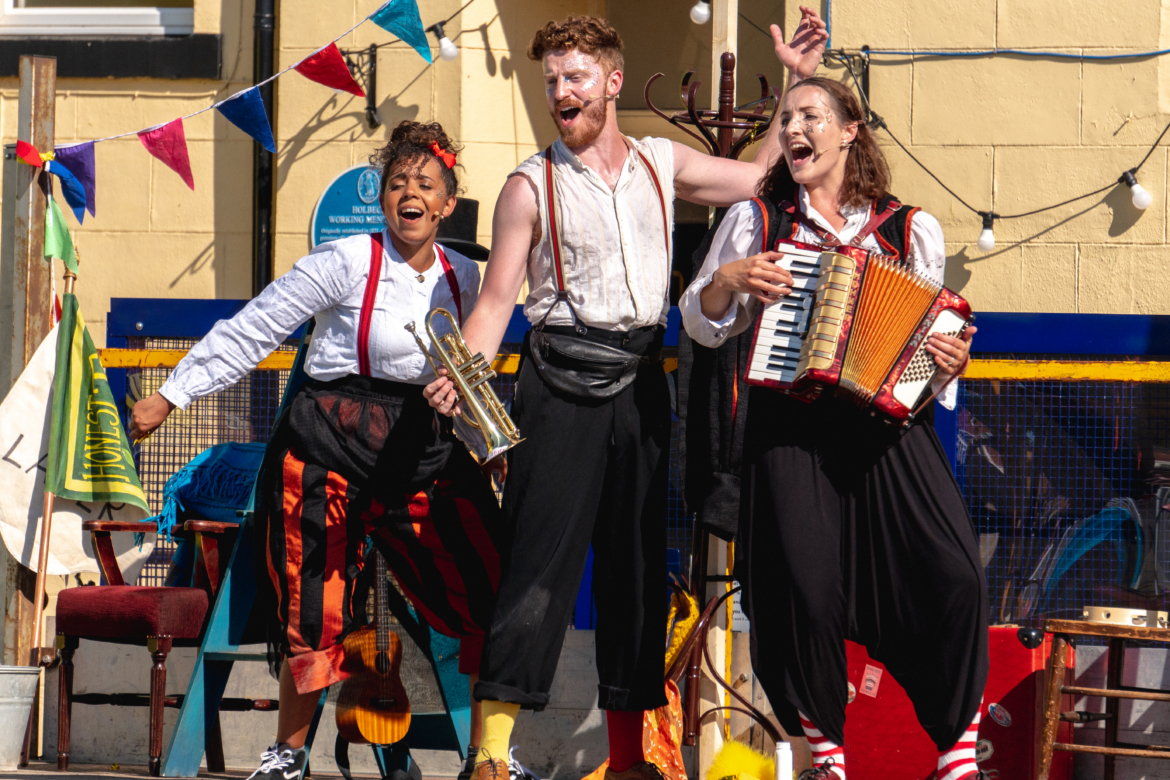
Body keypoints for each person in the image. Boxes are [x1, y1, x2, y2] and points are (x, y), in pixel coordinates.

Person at [423, 11, 828, 780]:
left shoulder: (657, 160)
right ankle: (491, 756)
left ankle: (628, 762)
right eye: (551, 82)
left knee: (637, 577)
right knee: (534, 568)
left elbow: (766, 179)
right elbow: (495, 303)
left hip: (642, 383)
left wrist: (801, 85)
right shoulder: (526, 187)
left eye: (575, 78)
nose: (560, 94)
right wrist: (462, 371)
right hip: (557, 386)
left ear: (611, 82)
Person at [129, 121, 504, 780]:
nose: (409, 194)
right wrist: (172, 396)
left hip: (421, 447)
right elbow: (253, 329)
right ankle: (287, 757)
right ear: (384, 198)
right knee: (313, 603)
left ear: (447, 203)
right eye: (396, 184)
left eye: (425, 184)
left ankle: (492, 758)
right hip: (330, 441)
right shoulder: (343, 261)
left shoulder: (469, 278)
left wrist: (489, 447)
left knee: (485, 585)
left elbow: (470, 374)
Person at [678, 75, 989, 780]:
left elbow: (931, 356)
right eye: (786, 118)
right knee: (804, 588)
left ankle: (957, 753)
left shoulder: (909, 229)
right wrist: (729, 277)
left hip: (885, 429)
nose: (794, 129)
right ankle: (827, 756)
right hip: (791, 424)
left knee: (956, 573)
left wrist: (950, 358)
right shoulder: (758, 222)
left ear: (849, 131)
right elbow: (700, 320)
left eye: (809, 116)